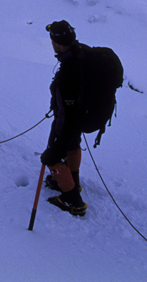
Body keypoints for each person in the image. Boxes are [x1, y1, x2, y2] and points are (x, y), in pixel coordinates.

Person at [40, 20, 89, 217]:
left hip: (68, 120)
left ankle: (72, 200)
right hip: (79, 117)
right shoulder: (80, 55)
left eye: (52, 40)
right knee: (72, 145)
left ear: (57, 43)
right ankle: (73, 183)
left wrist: (57, 140)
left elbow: (66, 111)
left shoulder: (69, 71)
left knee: (52, 156)